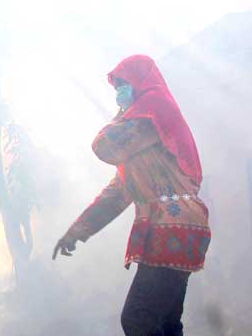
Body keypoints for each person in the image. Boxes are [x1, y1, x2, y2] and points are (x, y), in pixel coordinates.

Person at [53, 55, 211, 336]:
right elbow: (117, 194)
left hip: (171, 228)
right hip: (177, 229)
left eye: (124, 84)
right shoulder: (140, 145)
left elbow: (103, 146)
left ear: (141, 82)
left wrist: (120, 115)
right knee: (165, 323)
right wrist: (77, 231)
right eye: (116, 87)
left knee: (138, 319)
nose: (118, 92)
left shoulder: (154, 110)